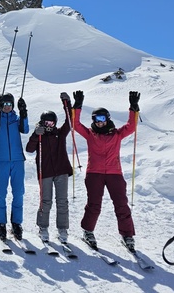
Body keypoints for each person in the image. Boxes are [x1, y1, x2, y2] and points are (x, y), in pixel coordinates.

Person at [71, 90, 140, 251]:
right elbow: (75, 125)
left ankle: (127, 234)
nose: (99, 122)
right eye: (95, 119)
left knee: (121, 204)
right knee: (94, 205)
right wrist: (78, 105)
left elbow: (131, 127)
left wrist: (133, 108)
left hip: (114, 174)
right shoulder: (90, 134)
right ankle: (88, 231)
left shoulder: (116, 135)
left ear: (107, 119)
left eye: (102, 118)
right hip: (94, 173)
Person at [24, 97, 73, 244]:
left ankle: (62, 229)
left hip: (61, 171)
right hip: (45, 172)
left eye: (51, 123)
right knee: (45, 201)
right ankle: (43, 227)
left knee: (62, 201)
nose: (49, 126)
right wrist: (35, 134)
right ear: (41, 123)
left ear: (55, 123)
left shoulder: (60, 133)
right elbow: (29, 149)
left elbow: (70, 121)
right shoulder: (40, 136)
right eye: (46, 123)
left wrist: (67, 104)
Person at [0, 92, 29, 240]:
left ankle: (16, 223)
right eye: (4, 104)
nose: (7, 107)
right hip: (2, 160)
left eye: (9, 104)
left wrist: (24, 112)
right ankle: (0, 223)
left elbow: (25, 129)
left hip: (18, 160)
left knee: (18, 193)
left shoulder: (16, 119)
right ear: (0, 105)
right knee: (1, 193)